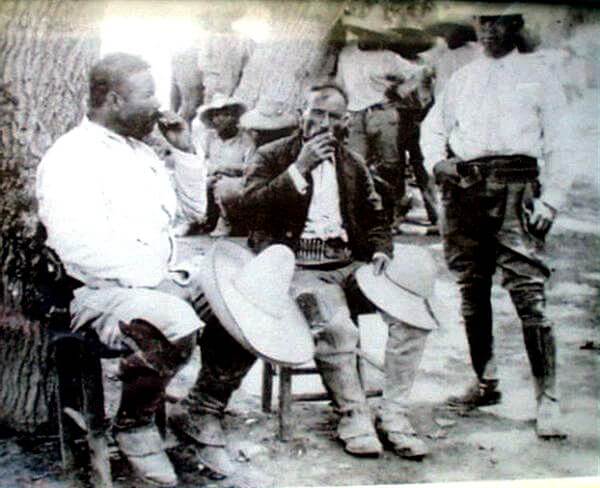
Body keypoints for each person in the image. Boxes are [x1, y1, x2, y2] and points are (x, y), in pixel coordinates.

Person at [169, 80, 438, 472]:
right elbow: (250, 210)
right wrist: (300, 169)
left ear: (346, 121)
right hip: (300, 268)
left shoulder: (353, 163)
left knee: (412, 317)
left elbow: (376, 217)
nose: (322, 122)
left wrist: (380, 249)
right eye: (316, 112)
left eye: (332, 116)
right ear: (302, 114)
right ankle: (353, 415)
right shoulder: (271, 155)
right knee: (337, 327)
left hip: (350, 264)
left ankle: (394, 413)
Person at [36, 53, 211, 486]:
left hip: (154, 283)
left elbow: (195, 212)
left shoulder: (142, 152)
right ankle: (135, 425)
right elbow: (77, 247)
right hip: (96, 292)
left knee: (239, 300)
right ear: (114, 99)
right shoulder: (71, 157)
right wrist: (157, 282)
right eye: (148, 94)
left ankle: (207, 411)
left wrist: (185, 151)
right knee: (171, 319)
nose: (157, 105)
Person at [420, 13, 570, 439]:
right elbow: (432, 129)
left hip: (516, 186)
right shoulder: (464, 77)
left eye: (499, 22)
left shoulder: (539, 74)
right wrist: (438, 162)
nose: (489, 30)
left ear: (516, 25)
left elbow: (560, 140)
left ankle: (548, 399)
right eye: (483, 21)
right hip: (464, 190)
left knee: (528, 292)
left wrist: (552, 199)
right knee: (471, 288)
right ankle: (486, 382)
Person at [335, 9, 426, 230]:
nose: (369, 38)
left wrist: (401, 90)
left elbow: (420, 72)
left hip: (383, 112)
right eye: (365, 33)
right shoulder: (347, 53)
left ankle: (392, 212)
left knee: (390, 164)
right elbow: (339, 83)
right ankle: (358, 215)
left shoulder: (388, 57)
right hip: (355, 114)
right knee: (355, 164)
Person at [193, 93, 254, 236]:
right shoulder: (208, 138)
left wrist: (225, 170)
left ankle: (226, 221)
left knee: (224, 186)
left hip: (235, 182)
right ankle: (196, 221)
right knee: (200, 182)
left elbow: (250, 168)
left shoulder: (246, 139)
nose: (219, 119)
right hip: (211, 177)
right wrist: (212, 171)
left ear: (234, 118)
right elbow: (199, 160)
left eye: (225, 115)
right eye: (215, 115)